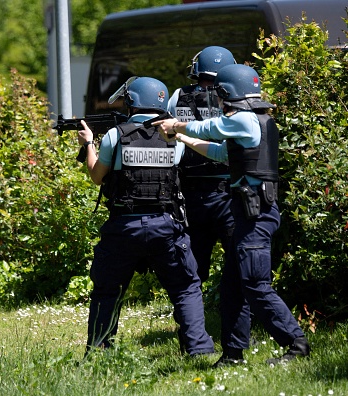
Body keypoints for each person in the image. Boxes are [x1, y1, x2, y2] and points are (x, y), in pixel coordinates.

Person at [153, 64, 310, 366]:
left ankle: (296, 342)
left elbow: (209, 128)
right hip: (247, 212)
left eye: (220, 96)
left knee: (255, 283)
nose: (218, 102)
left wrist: (176, 126)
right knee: (233, 287)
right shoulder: (254, 122)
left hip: (255, 215)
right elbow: (219, 153)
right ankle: (233, 354)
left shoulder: (245, 120)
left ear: (228, 94)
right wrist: (182, 139)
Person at [78, 77, 214, 356]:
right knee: (186, 288)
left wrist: (89, 143)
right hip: (165, 224)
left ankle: (100, 352)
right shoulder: (173, 138)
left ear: (130, 102)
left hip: (123, 227)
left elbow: (96, 176)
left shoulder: (117, 135)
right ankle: (199, 349)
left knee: (107, 292)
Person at [168, 46, 236, 284]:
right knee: (238, 263)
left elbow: (167, 137)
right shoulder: (236, 98)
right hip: (228, 192)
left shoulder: (178, 96)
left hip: (191, 195)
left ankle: (190, 320)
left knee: (191, 271)